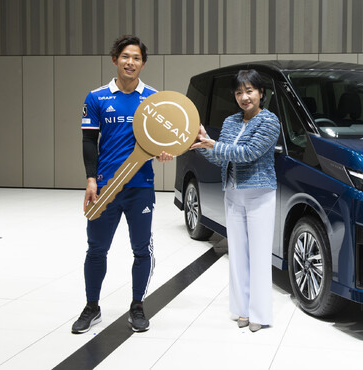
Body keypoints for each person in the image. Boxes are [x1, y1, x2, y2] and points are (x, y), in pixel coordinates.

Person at [72, 35, 173, 334]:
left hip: (141, 186)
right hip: (105, 187)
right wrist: (91, 179)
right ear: (115, 59)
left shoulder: (154, 99)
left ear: (143, 63)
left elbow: (161, 140)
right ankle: (92, 307)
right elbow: (89, 141)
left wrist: (164, 151)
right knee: (96, 249)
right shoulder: (96, 97)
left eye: (137, 58)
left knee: (141, 250)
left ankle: (137, 306)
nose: (131, 62)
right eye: (126, 56)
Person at [190, 69, 280, 332]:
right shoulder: (230, 121)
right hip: (232, 193)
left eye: (250, 91)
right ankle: (242, 309)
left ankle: (259, 313)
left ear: (261, 93)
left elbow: (248, 153)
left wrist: (213, 145)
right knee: (237, 255)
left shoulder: (269, 121)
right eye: (239, 92)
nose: (244, 97)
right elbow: (222, 158)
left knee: (259, 255)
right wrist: (203, 144)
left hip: (259, 194)